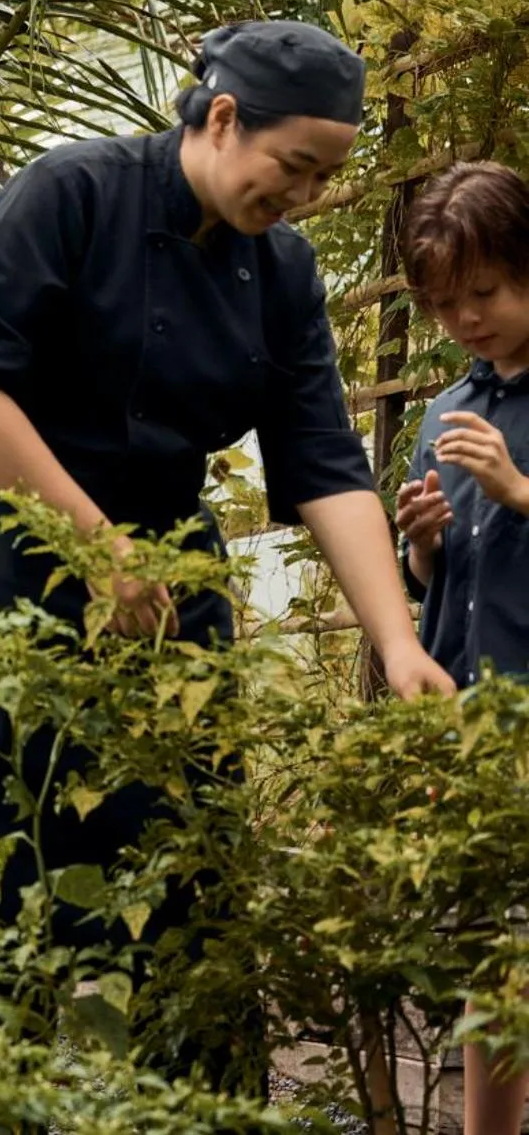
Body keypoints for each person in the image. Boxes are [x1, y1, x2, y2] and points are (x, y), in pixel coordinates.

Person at [0, 20, 458, 1075]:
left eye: (325, 178)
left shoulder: (278, 272)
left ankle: (190, 1097)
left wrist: (396, 640)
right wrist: (95, 552)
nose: (306, 198)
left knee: (184, 854)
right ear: (223, 119)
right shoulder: (69, 193)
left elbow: (324, 461)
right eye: (294, 168)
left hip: (157, 563)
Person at [393, 160, 529, 1135]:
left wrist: (519, 490)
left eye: (480, 293)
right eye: (444, 306)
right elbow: (425, 585)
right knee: (489, 962)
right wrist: (421, 539)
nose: (464, 321)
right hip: (464, 728)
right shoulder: (444, 412)